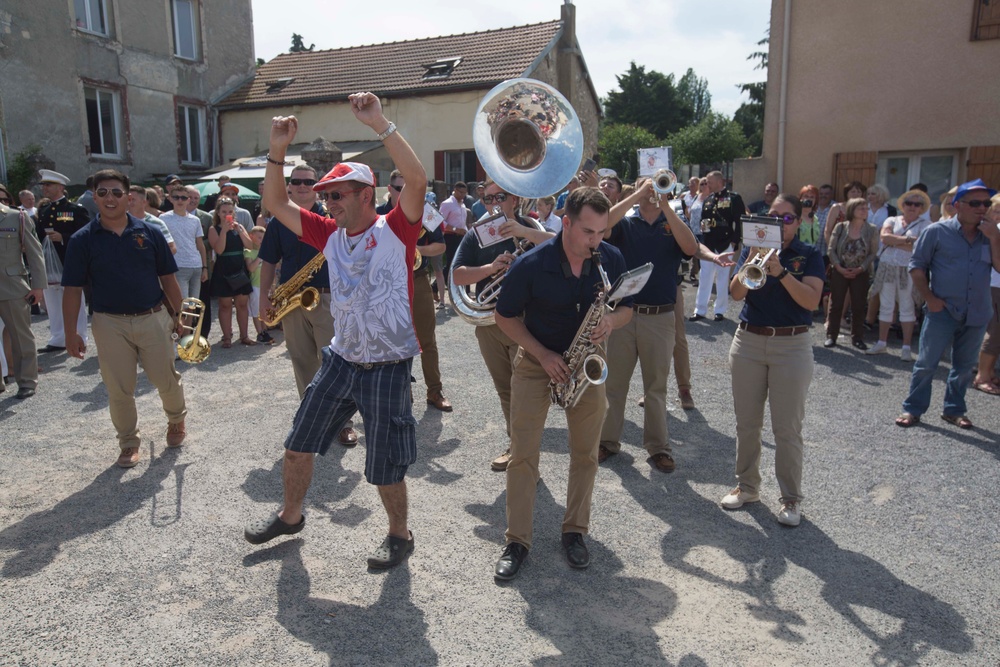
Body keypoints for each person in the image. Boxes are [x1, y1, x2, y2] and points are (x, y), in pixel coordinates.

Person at [244, 92, 427, 571]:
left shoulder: (397, 228)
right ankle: (290, 516)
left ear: (366, 195)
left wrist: (380, 124)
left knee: (384, 465)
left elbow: (417, 178)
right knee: (297, 443)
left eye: (336, 195)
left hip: (388, 365)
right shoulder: (327, 233)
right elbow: (275, 202)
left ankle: (399, 534)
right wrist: (277, 149)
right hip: (342, 359)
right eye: (325, 196)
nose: (328, 202)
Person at [492, 187, 634, 580]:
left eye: (602, 232)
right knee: (523, 454)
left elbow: (627, 307)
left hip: (587, 362)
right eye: (588, 232)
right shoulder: (532, 263)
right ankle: (517, 540)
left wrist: (611, 321)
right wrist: (542, 354)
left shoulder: (610, 258)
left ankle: (574, 531)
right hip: (539, 363)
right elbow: (504, 316)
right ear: (566, 223)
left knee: (586, 453)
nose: (596, 241)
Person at [598, 179, 732, 472]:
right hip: (623, 314)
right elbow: (603, 225)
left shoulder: (673, 223)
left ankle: (658, 447)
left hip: (660, 317)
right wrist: (635, 196)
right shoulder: (626, 223)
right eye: (648, 187)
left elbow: (690, 246)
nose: (653, 192)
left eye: (659, 187)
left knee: (655, 388)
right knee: (614, 385)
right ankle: (607, 442)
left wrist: (666, 207)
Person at [61, 169, 188, 468]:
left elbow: (168, 279)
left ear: (129, 197)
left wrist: (182, 315)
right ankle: (129, 443)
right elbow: (72, 290)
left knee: (165, 379)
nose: (110, 198)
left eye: (117, 192)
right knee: (119, 387)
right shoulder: (82, 240)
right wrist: (71, 332)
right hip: (109, 322)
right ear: (94, 197)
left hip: (153, 317)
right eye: (103, 192)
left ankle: (176, 420)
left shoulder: (150, 232)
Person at [720, 194, 824, 527]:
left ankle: (790, 498)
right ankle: (747, 486)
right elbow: (735, 295)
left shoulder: (809, 255)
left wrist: (780, 273)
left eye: (787, 218)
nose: (778, 223)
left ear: (799, 220)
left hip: (791, 346)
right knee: (747, 423)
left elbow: (810, 301)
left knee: (787, 429)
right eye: (772, 217)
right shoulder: (755, 250)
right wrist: (752, 258)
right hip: (748, 340)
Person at [452, 179, 555, 471]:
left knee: (526, 394)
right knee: (505, 391)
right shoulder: (476, 234)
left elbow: (560, 246)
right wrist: (491, 268)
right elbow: (457, 276)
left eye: (500, 197)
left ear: (514, 200)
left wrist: (523, 232)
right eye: (487, 199)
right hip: (490, 323)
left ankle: (525, 456)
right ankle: (517, 447)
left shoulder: (531, 227)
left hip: (526, 323)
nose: (494, 204)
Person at [258, 165, 359, 445]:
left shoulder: (334, 216)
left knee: (334, 362)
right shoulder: (280, 220)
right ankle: (311, 415)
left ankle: (342, 422)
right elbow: (268, 261)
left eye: (309, 182)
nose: (302, 186)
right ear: (289, 186)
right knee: (301, 360)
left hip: (328, 297)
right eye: (296, 181)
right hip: (293, 301)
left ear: (316, 187)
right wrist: (264, 296)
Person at [896, 179, 1000, 430]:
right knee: (926, 364)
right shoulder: (936, 232)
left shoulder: (991, 234)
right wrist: (930, 300)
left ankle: (953, 410)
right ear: (957, 205)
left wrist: (995, 238)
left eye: (986, 203)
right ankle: (913, 409)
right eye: (975, 203)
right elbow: (917, 268)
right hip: (942, 311)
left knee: (964, 367)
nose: (982, 208)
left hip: (977, 312)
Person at [378, 169, 452, 412]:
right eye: (400, 188)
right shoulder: (377, 214)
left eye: (410, 188)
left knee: (427, 339)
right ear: (389, 189)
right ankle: (401, 390)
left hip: (417, 278)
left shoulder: (428, 212)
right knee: (392, 339)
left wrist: (416, 248)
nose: (406, 193)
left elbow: (441, 245)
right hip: (385, 283)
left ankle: (435, 390)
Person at [866, 189, 932, 360]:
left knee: (907, 307)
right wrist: (909, 241)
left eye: (917, 204)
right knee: (886, 305)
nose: (912, 207)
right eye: (909, 203)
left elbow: (920, 247)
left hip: (908, 269)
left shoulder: (925, 225)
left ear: (921, 208)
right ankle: (881, 343)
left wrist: (897, 241)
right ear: (903, 205)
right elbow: (885, 238)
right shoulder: (892, 219)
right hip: (888, 266)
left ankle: (906, 347)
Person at [35, 169, 91, 353]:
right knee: (52, 298)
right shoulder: (43, 210)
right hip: (50, 260)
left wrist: (64, 236)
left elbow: (85, 233)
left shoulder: (74, 209)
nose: (45, 188)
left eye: (48, 185)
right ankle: (58, 337)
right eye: (43, 185)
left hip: (69, 259)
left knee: (74, 297)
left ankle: (80, 335)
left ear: (60, 187)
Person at [0, 196, 45, 399]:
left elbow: (35, 253)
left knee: (20, 336)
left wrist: (38, 286)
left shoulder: (15, 217)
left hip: (12, 286)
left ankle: (27, 381)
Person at [691, 171, 746, 322]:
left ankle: (720, 310)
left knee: (722, 278)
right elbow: (704, 220)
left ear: (719, 181)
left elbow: (740, 221)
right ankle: (700, 310)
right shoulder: (708, 199)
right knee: (705, 276)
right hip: (709, 244)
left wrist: (734, 242)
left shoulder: (733, 198)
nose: (707, 184)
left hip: (725, 243)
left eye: (709, 182)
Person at [824, 198, 878, 350]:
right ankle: (831, 336)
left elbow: (873, 253)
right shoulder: (840, 227)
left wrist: (861, 268)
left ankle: (857, 338)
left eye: (866, 208)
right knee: (836, 304)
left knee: (859, 306)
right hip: (840, 270)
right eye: (861, 208)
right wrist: (839, 267)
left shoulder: (872, 229)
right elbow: (831, 249)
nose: (865, 211)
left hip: (860, 272)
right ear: (852, 210)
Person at [208, 198, 255, 347]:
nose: (227, 214)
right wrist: (224, 231)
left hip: (238, 266)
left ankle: (244, 336)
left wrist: (240, 231)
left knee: (242, 303)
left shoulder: (238, 227)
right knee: (225, 304)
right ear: (218, 213)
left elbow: (250, 245)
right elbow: (219, 250)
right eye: (224, 212)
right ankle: (227, 336)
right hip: (223, 267)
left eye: (229, 211)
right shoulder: (213, 229)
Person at [160, 186, 207, 301]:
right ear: (170, 199)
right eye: (176, 197)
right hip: (178, 265)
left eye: (183, 198)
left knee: (193, 305)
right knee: (182, 304)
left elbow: (200, 245)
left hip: (196, 266)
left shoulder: (195, 220)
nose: (180, 200)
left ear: (188, 200)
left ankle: (191, 321)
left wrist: (204, 267)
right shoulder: (163, 218)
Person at [973, 194, 1000, 395]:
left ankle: (987, 372)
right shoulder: (994, 230)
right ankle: (982, 375)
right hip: (995, 285)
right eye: (996, 210)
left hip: (993, 284)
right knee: (995, 330)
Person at [184, 184, 216, 338]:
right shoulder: (172, 216)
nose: (194, 200)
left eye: (197, 198)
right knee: (186, 301)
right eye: (190, 197)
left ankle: (202, 334)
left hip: (202, 266)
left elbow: (212, 242)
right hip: (182, 267)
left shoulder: (206, 217)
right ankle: (185, 333)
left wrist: (196, 244)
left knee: (202, 301)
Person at [126, 185, 176, 255]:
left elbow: (171, 247)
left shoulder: (157, 223)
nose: (129, 202)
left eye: (133, 199)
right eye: (127, 199)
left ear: (144, 202)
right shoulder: (117, 222)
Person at [245, 226, 272, 345]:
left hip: (265, 285)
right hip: (255, 285)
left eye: (263, 238)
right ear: (252, 237)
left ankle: (265, 330)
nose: (262, 240)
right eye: (259, 237)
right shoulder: (249, 252)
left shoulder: (267, 252)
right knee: (256, 310)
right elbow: (251, 268)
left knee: (265, 309)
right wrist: (260, 256)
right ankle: (259, 332)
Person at [439, 182, 469, 274]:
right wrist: (456, 230)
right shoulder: (447, 203)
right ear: (455, 190)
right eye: (461, 192)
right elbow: (440, 221)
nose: (463, 195)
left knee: (461, 262)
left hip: (461, 237)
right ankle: (436, 286)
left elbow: (462, 222)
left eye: (464, 193)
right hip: (451, 237)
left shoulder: (463, 205)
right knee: (451, 263)